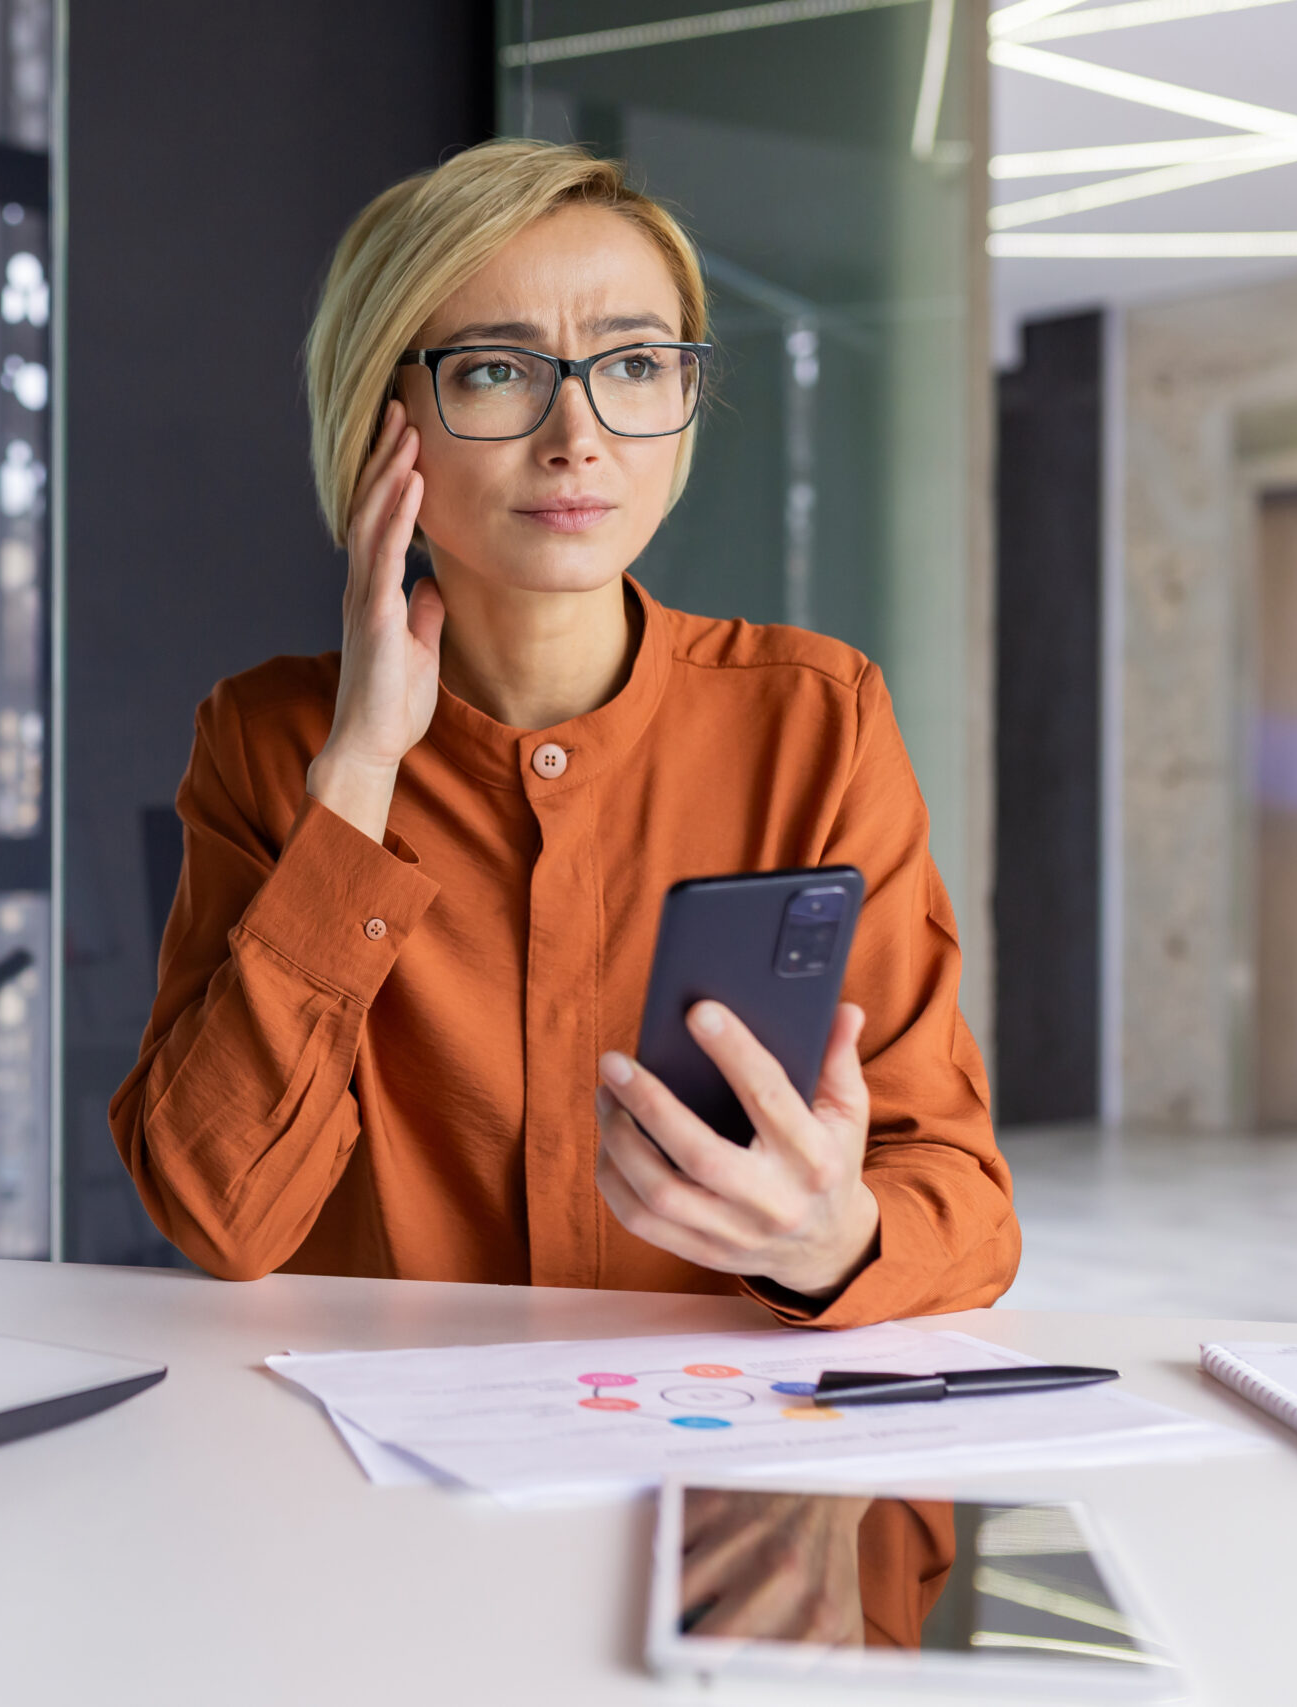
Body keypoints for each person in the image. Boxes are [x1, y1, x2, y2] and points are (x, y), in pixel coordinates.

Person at [107, 141, 1017, 1326]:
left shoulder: (815, 720)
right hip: (379, 1473)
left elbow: (960, 1200)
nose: (577, 436)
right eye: (495, 371)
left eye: (634, 364)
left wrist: (831, 1238)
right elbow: (218, 1213)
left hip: (708, 1456)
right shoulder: (272, 739)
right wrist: (362, 775)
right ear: (382, 417)